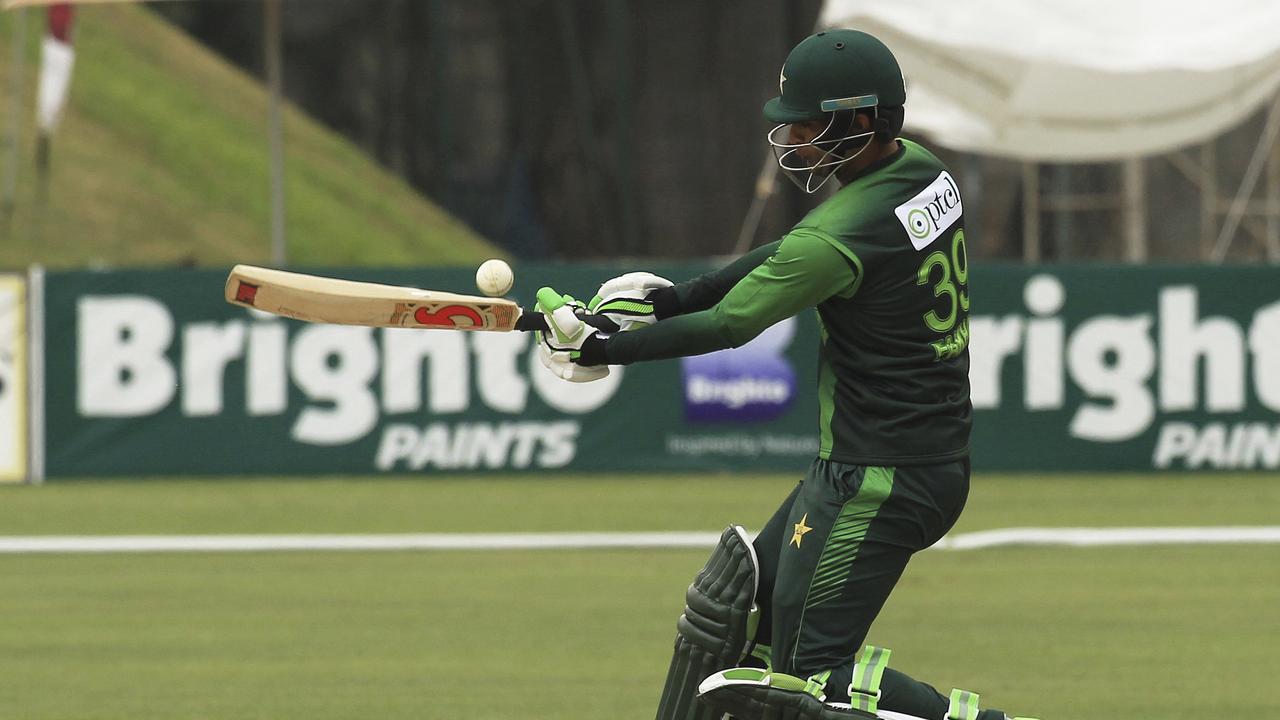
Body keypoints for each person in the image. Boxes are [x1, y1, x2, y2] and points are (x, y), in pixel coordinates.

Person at [531, 29, 1032, 720]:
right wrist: (675, 297)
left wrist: (602, 350)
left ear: (859, 121)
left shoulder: (844, 234)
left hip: (883, 476)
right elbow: (791, 250)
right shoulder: (922, 170)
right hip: (885, 460)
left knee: (815, 683)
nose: (792, 137)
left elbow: (735, 324)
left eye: (805, 122)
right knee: (733, 615)